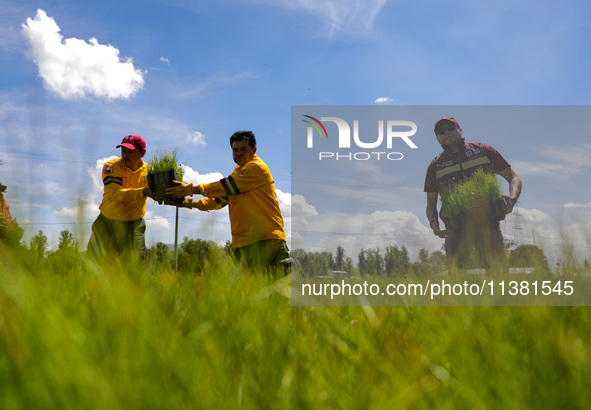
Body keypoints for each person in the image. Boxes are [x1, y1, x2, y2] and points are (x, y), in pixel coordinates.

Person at [165, 130, 290, 272]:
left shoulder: (255, 168)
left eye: (244, 149)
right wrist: (186, 203)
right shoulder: (238, 173)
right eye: (235, 150)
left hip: (265, 239)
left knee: (274, 288)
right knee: (249, 291)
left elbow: (226, 186)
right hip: (244, 242)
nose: (239, 153)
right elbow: (218, 201)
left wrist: (189, 189)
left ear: (254, 150)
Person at [424, 116, 522, 269]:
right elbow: (431, 203)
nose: (446, 133)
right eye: (441, 131)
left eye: (451, 128)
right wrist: (434, 224)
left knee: (497, 271)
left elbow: (514, 178)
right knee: (455, 272)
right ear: (437, 138)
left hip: (488, 224)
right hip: (455, 228)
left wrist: (512, 198)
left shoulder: (483, 150)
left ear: (460, 130)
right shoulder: (436, 165)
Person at [87, 135, 154, 259]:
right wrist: (143, 192)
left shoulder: (151, 172)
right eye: (123, 151)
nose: (125, 155)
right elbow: (116, 194)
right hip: (107, 223)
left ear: (142, 153)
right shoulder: (111, 167)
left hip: (134, 224)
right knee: (94, 263)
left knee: (136, 263)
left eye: (130, 152)